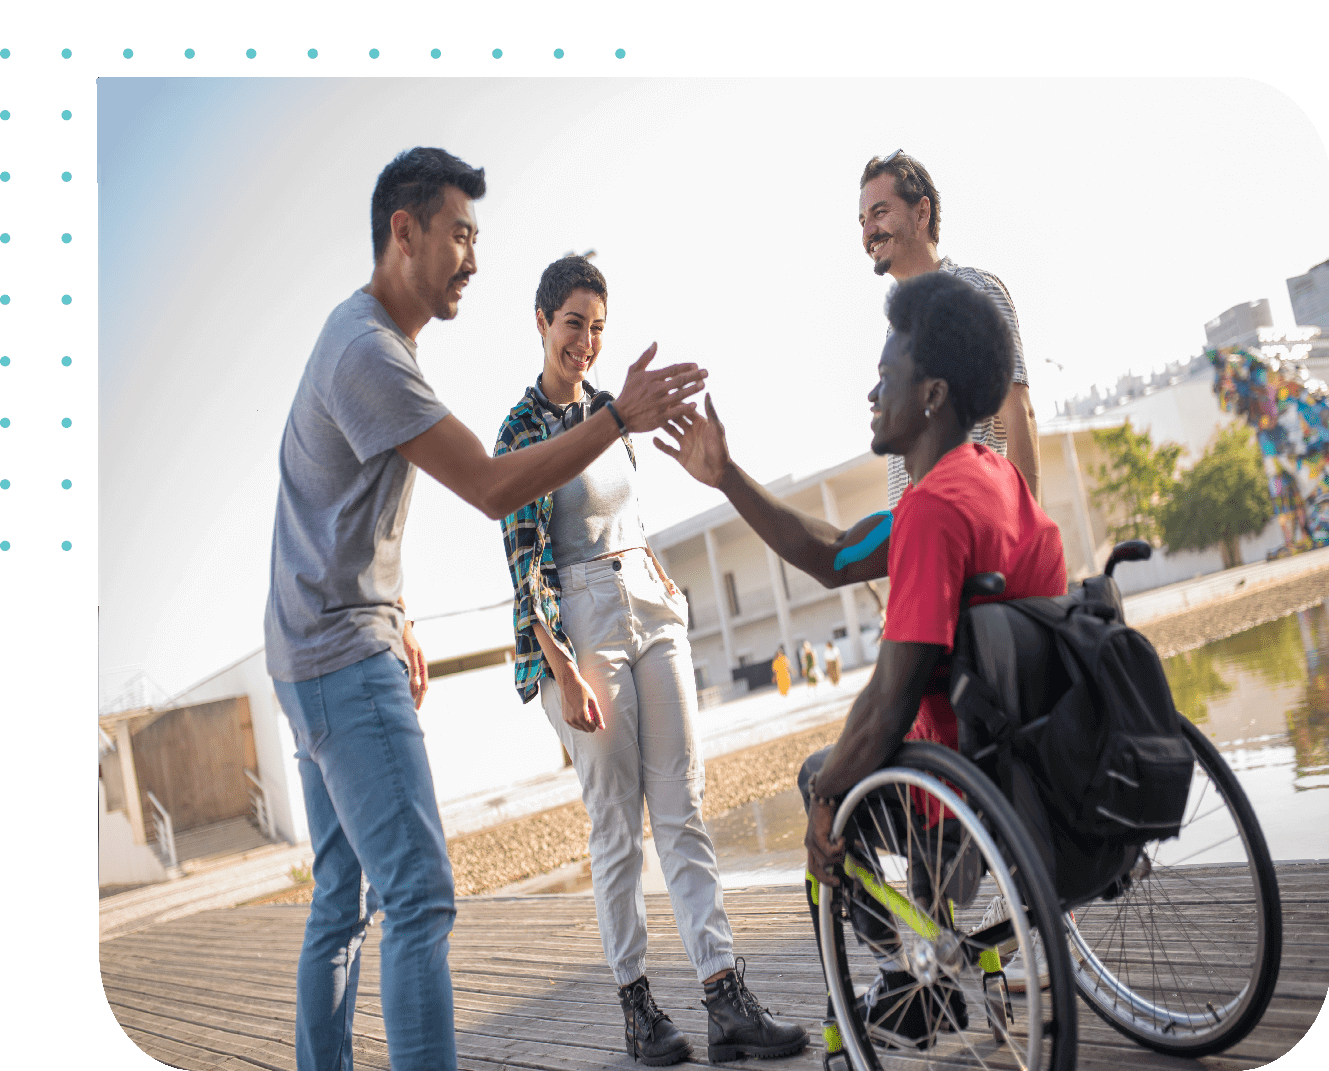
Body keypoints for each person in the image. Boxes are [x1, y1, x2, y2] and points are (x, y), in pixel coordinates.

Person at [263, 149, 707, 1071]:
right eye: (460, 235)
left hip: (313, 645)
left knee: (340, 902)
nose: (473, 258)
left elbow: (335, 504)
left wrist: (398, 609)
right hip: (342, 656)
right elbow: (494, 488)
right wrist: (615, 419)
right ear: (405, 232)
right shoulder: (369, 353)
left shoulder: (363, 339)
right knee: (418, 898)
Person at [656, 271, 1066, 1050]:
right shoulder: (995, 481)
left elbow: (888, 699)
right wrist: (727, 476)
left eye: (885, 376)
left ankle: (909, 973)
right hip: (1035, 770)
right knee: (861, 762)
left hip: (966, 795)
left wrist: (825, 800)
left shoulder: (932, 511)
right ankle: (921, 969)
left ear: (931, 395)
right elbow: (834, 552)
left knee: (824, 776)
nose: (872, 393)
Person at [494, 256, 807, 1067]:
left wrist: (656, 573)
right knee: (615, 827)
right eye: (572, 324)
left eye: (598, 327)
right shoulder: (520, 431)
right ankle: (637, 1009)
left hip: (648, 605)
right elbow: (525, 564)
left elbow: (623, 519)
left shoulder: (612, 413)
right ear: (541, 321)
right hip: (580, 622)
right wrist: (560, 666)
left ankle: (724, 998)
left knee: (683, 809)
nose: (585, 342)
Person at [858, 150, 1040, 506]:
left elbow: (1018, 415)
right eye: (862, 220)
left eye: (880, 213)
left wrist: (1026, 530)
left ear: (921, 212)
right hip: (924, 531)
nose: (868, 232)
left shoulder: (974, 291)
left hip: (974, 524)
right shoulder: (895, 331)